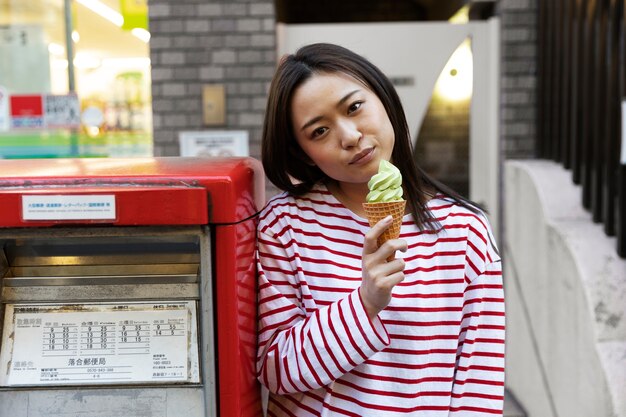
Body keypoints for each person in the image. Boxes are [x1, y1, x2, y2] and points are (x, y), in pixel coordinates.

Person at [256, 42, 505, 416]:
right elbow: (275, 371)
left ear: (384, 98)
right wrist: (365, 303)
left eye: (354, 107)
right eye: (319, 131)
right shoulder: (283, 227)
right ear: (305, 153)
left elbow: (476, 387)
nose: (350, 136)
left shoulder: (466, 232)